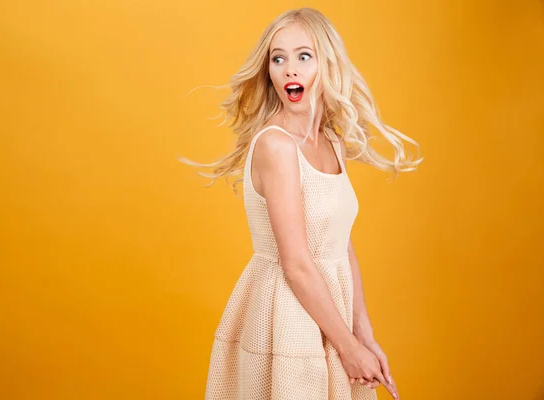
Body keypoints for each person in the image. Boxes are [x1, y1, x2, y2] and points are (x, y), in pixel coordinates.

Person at [179, 7, 422, 400]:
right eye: (278, 58)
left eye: (303, 56)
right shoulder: (276, 146)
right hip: (287, 318)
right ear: (269, 71)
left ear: (326, 64)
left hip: (331, 314)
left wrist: (364, 334)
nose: (289, 69)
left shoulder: (333, 143)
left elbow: (340, 242)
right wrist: (348, 347)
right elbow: (295, 263)